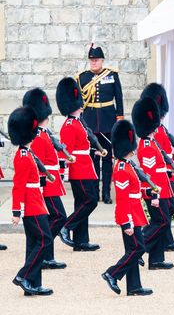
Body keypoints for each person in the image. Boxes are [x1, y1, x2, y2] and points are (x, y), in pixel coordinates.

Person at [101, 120, 153, 296]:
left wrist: (148, 191)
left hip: (135, 212)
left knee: (133, 250)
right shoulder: (122, 168)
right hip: (129, 215)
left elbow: (134, 189)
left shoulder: (128, 165)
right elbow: (122, 199)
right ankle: (112, 273)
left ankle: (134, 287)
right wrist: (126, 222)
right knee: (138, 249)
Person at [9, 106, 54, 296]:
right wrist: (16, 212)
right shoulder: (23, 156)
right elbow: (18, 186)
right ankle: (24, 276)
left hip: (36, 202)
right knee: (45, 240)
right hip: (31, 206)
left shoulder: (27, 153)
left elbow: (32, 180)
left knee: (33, 243)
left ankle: (33, 285)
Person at [23, 88, 67, 269]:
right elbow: (38, 164)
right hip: (46, 186)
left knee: (54, 218)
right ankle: (44, 252)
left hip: (52, 183)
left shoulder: (43, 133)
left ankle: (46, 255)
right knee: (59, 217)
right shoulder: (39, 137)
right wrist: (42, 185)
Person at [140, 83, 174, 252]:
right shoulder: (155, 132)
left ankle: (166, 240)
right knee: (164, 214)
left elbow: (165, 153)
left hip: (165, 175)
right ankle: (144, 243)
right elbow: (156, 160)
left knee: (168, 210)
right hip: (161, 178)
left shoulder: (160, 129)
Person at [56, 77, 101, 252]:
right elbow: (66, 152)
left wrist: (93, 151)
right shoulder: (69, 125)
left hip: (86, 167)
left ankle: (81, 241)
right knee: (90, 201)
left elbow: (82, 146)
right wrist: (64, 171)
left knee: (82, 203)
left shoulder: (78, 123)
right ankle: (66, 226)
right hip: (79, 170)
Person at [76, 44, 124, 204]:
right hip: (90, 122)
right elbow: (80, 102)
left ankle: (106, 194)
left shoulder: (112, 75)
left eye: (96, 60)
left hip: (108, 121)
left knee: (108, 158)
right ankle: (94, 193)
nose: (94, 63)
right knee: (93, 159)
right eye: (91, 60)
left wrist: (120, 118)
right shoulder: (82, 77)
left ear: (102, 60)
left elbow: (119, 97)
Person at [133, 97, 174, 270]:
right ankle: (138, 248)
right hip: (156, 190)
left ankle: (156, 259)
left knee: (162, 220)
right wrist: (155, 194)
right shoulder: (147, 145)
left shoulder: (151, 142)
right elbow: (150, 174)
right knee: (161, 221)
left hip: (162, 188)